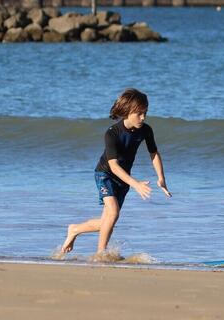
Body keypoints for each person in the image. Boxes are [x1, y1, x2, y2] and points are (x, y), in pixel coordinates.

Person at [61, 88, 171, 256]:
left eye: (145, 113)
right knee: (113, 213)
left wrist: (161, 178)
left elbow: (153, 153)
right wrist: (135, 184)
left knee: (108, 220)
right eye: (139, 113)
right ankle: (101, 254)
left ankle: (75, 229)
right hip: (105, 174)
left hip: (123, 179)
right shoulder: (112, 133)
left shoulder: (146, 130)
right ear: (127, 111)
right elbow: (113, 166)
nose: (143, 117)